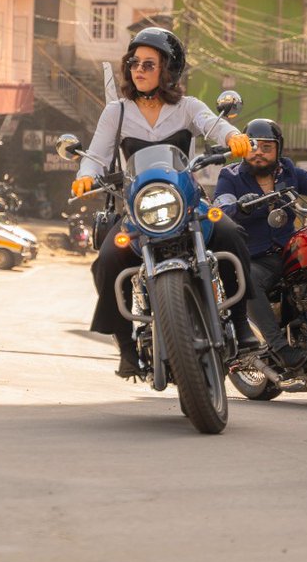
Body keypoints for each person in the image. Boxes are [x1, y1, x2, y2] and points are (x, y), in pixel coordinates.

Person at [71, 27, 255, 379]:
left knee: (231, 234)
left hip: (189, 205)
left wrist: (234, 137)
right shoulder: (117, 112)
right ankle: (125, 348)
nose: (138, 69)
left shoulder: (188, 108)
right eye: (133, 62)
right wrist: (85, 174)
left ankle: (242, 325)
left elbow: (214, 127)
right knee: (108, 260)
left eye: (148, 64)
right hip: (139, 211)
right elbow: (95, 156)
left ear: (167, 71)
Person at [213, 118, 307, 369]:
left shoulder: (288, 171)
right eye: (253, 146)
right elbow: (221, 205)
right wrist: (240, 206)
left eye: (266, 148)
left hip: (288, 251)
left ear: (278, 149)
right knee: (246, 278)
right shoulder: (230, 175)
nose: (258, 153)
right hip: (254, 257)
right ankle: (280, 348)